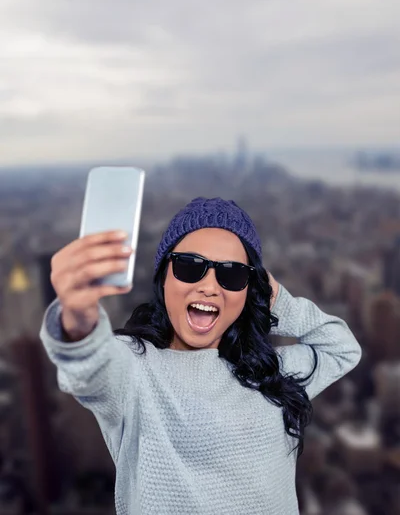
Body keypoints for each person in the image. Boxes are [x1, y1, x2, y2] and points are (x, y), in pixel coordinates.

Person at [39, 197, 362, 515]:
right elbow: (91, 367)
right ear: (163, 277)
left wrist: (277, 301)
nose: (210, 286)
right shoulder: (134, 367)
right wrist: (79, 320)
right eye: (189, 267)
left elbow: (342, 348)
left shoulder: (270, 370)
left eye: (233, 275)